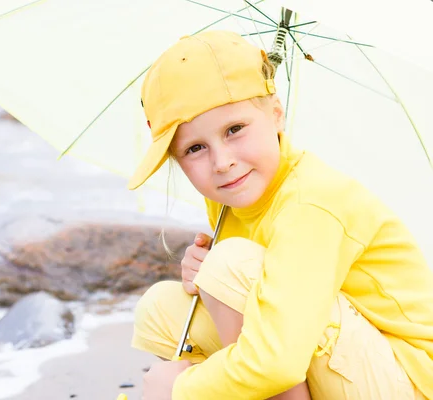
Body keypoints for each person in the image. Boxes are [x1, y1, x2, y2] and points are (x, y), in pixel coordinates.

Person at [125, 30, 433, 400]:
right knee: (162, 308)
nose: (222, 163)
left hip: (408, 381)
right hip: (328, 354)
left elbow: (279, 361)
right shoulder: (232, 196)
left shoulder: (312, 202)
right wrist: (205, 274)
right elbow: (257, 298)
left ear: (275, 115)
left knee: (228, 265)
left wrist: (181, 389)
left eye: (234, 129)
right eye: (195, 148)